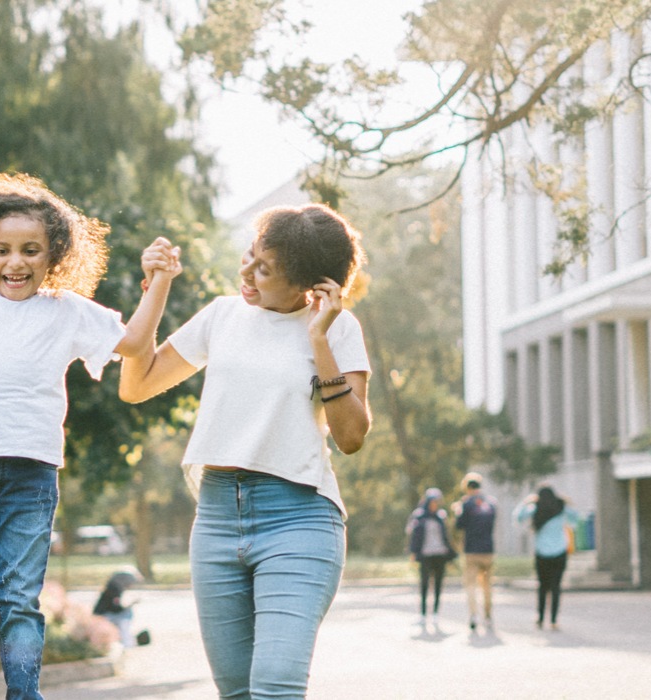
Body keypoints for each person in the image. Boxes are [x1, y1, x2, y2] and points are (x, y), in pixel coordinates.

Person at [0, 162, 164, 700]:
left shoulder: (67, 310)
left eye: (30, 250)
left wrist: (160, 284)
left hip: (31, 472)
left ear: (53, 254)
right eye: (2, 250)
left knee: (20, 599)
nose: (15, 262)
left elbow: (134, 343)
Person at [119, 204, 371, 700]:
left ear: (310, 285)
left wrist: (318, 339)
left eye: (265, 270)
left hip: (298, 518)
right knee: (235, 692)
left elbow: (352, 437)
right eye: (250, 257)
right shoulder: (222, 315)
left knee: (275, 685)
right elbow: (138, 383)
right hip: (215, 517)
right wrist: (158, 286)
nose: (247, 273)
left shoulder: (339, 329)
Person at [514, 484, 582, 630]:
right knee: (556, 587)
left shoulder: (535, 510)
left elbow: (518, 517)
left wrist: (526, 502)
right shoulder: (561, 508)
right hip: (559, 553)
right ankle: (554, 620)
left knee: (542, 587)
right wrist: (567, 501)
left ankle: (540, 618)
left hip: (542, 554)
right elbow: (576, 517)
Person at [452, 471, 498, 631]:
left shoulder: (466, 504)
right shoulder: (491, 503)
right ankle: (488, 615)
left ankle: (473, 614)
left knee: (471, 585)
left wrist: (458, 510)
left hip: (471, 550)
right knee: (487, 585)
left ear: (467, 487)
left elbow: (459, 526)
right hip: (488, 549)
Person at [406, 488, 453, 625]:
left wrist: (450, 553)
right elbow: (412, 535)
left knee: (438, 585)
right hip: (425, 555)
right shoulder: (419, 516)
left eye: (436, 502)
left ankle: (436, 614)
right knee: (424, 585)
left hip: (440, 555)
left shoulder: (441, 516)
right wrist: (413, 552)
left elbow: (446, 536)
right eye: (432, 501)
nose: (434, 504)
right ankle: (423, 614)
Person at [93, 569, 143, 650]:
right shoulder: (114, 589)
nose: (131, 585)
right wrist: (129, 605)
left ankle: (126, 640)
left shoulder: (112, 587)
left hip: (105, 614)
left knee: (125, 614)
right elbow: (115, 608)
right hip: (103, 616)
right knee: (126, 615)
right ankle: (127, 642)